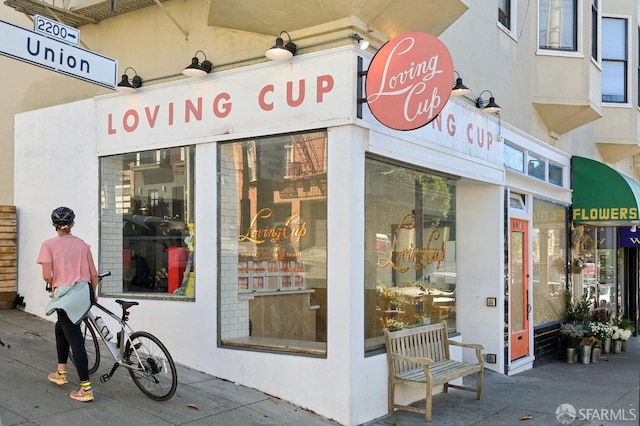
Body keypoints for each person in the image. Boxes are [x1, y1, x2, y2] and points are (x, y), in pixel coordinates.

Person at [37, 207, 99, 402]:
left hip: (66, 296)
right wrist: (93, 294)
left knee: (75, 338)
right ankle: (61, 372)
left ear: (54, 225)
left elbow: (47, 275)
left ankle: (86, 389)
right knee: (60, 328)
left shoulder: (48, 245)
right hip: (83, 293)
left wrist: (53, 283)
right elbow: (94, 274)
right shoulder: (82, 245)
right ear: (72, 224)